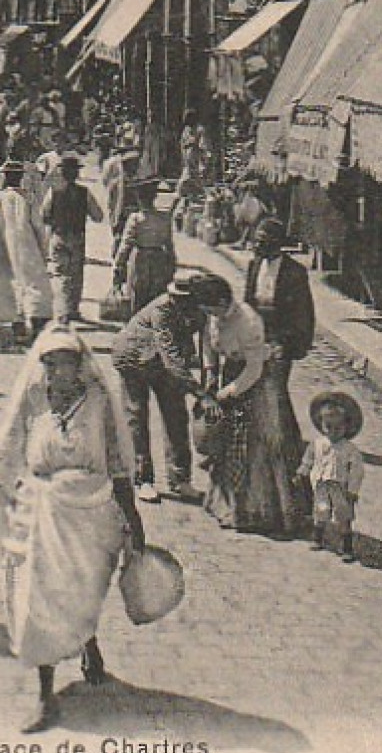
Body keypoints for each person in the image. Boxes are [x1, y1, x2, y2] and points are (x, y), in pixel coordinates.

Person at [0, 326, 145, 733]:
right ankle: (45, 695)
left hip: (88, 514)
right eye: (49, 363)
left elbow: (116, 463)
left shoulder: (98, 404)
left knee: (81, 593)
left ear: (80, 367)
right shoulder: (33, 400)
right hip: (39, 514)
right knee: (37, 600)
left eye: (65, 363)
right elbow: (7, 453)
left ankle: (87, 643)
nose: (56, 372)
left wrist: (134, 521)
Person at [198, 272, 309, 537]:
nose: (209, 314)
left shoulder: (248, 322)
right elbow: (207, 345)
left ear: (224, 301)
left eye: (211, 308)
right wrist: (211, 372)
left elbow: (254, 370)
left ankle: (263, 512)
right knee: (230, 439)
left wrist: (226, 394)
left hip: (259, 381)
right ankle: (230, 505)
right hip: (231, 374)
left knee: (259, 444)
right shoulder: (214, 316)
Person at [111, 274, 223, 504]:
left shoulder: (200, 310)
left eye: (184, 298)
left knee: (176, 416)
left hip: (161, 364)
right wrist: (200, 394)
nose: (178, 301)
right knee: (137, 417)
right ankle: (143, 479)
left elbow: (207, 344)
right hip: (133, 360)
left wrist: (210, 376)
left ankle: (179, 479)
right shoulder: (162, 310)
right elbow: (171, 358)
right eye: (175, 296)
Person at [244, 218, 314, 507]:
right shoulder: (252, 266)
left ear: (277, 242)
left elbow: (302, 315)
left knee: (276, 399)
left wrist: (283, 344)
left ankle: (288, 460)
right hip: (254, 340)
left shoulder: (295, 273)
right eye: (256, 240)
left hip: (278, 343)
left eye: (263, 240)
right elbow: (247, 303)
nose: (257, 244)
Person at [0, 161, 54, 341]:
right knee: (32, 283)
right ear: (21, 178)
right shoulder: (28, 197)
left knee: (12, 283)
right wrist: (43, 248)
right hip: (27, 245)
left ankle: (18, 326)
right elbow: (38, 226)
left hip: (5, 244)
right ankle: (35, 325)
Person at [297, 392, 366, 561]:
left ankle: (347, 547)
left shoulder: (350, 449)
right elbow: (309, 459)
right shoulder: (318, 444)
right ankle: (318, 537)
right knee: (321, 510)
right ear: (321, 425)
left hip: (340, 487)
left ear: (346, 427)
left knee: (343, 515)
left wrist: (352, 491)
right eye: (328, 427)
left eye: (338, 428)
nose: (333, 432)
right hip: (321, 484)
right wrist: (302, 472)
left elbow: (357, 471)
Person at [41, 152, 100, 325]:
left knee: (60, 274)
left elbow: (43, 214)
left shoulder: (54, 191)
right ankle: (73, 309)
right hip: (77, 236)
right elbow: (98, 216)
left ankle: (62, 312)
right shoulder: (84, 193)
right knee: (76, 274)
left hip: (58, 235)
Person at [113, 178, 177, 317]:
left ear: (138, 198)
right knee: (156, 297)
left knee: (138, 295)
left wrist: (118, 265)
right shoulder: (164, 218)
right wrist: (172, 264)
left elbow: (126, 244)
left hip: (140, 257)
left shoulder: (136, 218)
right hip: (159, 257)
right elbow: (169, 244)